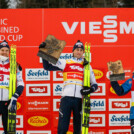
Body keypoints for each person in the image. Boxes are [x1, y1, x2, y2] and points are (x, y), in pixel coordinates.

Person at [40, 40, 98, 134]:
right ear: (73, 51)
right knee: (62, 128)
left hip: (79, 100)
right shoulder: (66, 62)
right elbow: (47, 67)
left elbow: (95, 84)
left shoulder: (87, 66)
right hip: (66, 98)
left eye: (81, 50)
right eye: (77, 49)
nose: (79, 51)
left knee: (77, 128)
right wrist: (43, 51)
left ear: (83, 52)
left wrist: (90, 89)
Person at [0, 40, 24, 134]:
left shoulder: (15, 65)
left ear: (9, 52)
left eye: (6, 50)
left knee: (9, 131)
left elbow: (21, 83)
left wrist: (15, 96)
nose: (4, 52)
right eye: (2, 50)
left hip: (8, 102)